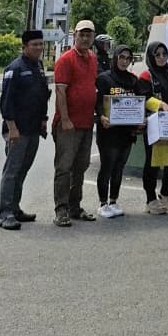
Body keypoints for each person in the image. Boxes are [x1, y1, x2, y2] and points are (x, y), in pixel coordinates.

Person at [0, 29, 49, 230]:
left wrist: (43, 119)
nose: (38, 48)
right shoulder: (14, 68)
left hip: (33, 129)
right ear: (24, 47)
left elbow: (42, 95)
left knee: (22, 170)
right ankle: (6, 213)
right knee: (11, 172)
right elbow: (6, 102)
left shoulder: (39, 66)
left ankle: (15, 208)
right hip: (17, 130)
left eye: (40, 44)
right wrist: (12, 128)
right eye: (34, 44)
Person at [52, 20, 98, 227]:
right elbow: (61, 91)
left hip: (86, 123)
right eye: (82, 34)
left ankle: (75, 206)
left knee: (81, 166)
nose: (85, 38)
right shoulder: (66, 60)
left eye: (89, 35)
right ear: (75, 36)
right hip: (68, 125)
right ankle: (61, 210)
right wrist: (66, 119)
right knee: (64, 167)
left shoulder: (93, 58)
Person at [95, 44, 146, 218]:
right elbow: (97, 103)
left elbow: (140, 103)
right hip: (108, 133)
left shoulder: (133, 80)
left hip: (127, 132)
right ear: (115, 57)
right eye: (121, 57)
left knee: (119, 167)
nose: (124, 61)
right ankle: (102, 203)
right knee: (107, 166)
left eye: (128, 58)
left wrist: (141, 120)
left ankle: (114, 200)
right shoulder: (104, 78)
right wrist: (101, 117)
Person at [139, 41, 168, 215]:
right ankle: (150, 199)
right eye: (158, 54)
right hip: (154, 124)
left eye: (164, 54)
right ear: (151, 56)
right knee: (152, 162)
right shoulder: (146, 75)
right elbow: (143, 98)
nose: (162, 57)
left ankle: (165, 193)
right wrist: (160, 104)